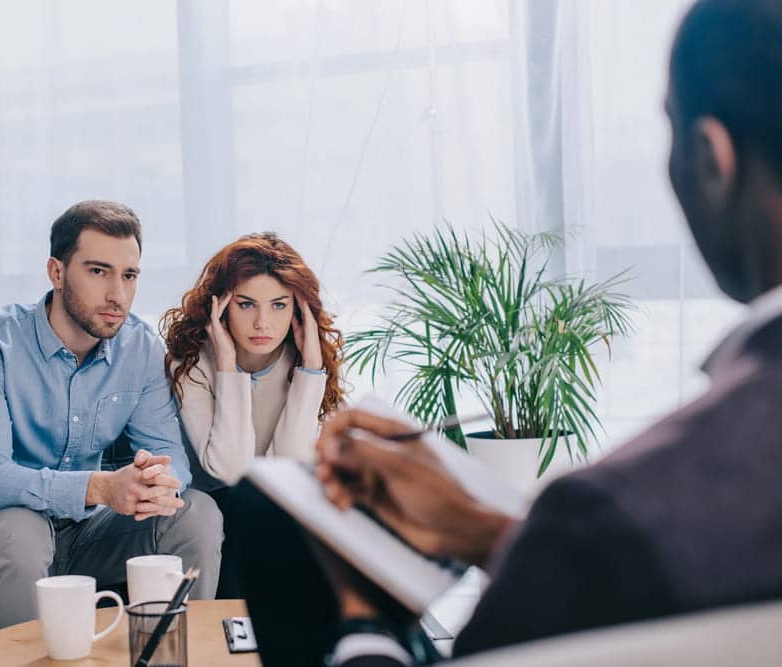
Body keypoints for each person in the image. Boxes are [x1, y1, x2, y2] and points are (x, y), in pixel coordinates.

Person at [234, 0, 782, 664]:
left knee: (271, 528)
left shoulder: (622, 509)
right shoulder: (636, 520)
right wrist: (493, 530)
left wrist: (368, 617)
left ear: (711, 158)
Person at [0, 200, 222, 631]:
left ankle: (178, 657)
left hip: (88, 534)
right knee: (20, 530)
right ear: (56, 272)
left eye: (129, 276)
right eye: (98, 271)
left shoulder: (141, 348)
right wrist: (102, 487)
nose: (117, 295)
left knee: (196, 511)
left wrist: (156, 482)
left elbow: (171, 457)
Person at [160, 232, 344, 595]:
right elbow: (230, 470)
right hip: (216, 510)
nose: (263, 323)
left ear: (298, 309)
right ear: (220, 306)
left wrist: (309, 371)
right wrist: (228, 367)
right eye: (246, 304)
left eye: (279, 305)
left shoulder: (307, 360)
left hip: (282, 509)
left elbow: (291, 469)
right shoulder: (192, 363)